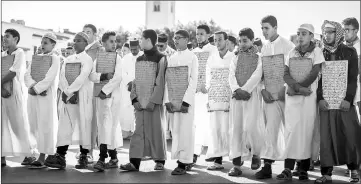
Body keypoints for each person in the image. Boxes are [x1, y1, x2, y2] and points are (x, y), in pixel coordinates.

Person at [276, 24, 324, 181]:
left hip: (308, 98)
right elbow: (285, 73)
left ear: (311, 36)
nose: (300, 36)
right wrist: (297, 88)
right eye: (298, 33)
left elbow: (314, 73)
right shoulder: (292, 51)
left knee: (306, 131)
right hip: (293, 96)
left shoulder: (317, 52)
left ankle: (303, 169)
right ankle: (287, 169)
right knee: (291, 131)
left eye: (304, 33)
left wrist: (301, 88)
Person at [315, 20, 361, 184]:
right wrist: (320, 98)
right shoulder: (320, 53)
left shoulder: (350, 51)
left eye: (330, 32)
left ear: (338, 33)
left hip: (344, 102)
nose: (327, 35)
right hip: (326, 103)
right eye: (325, 32)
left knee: (349, 134)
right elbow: (318, 80)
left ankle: (353, 169)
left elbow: (353, 77)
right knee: (326, 136)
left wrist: (348, 99)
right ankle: (326, 173)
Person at [119, 29, 167, 172]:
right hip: (139, 103)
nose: (140, 42)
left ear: (148, 40)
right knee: (138, 132)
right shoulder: (139, 59)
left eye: (141, 39)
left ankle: (159, 160)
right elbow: (136, 81)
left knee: (156, 131)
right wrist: (134, 99)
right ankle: (134, 162)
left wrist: (153, 101)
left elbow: (161, 82)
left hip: (154, 104)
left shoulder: (161, 58)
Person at [44, 32, 93, 170]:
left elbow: (82, 77)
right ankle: (60, 156)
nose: (75, 43)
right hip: (68, 98)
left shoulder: (88, 59)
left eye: (78, 40)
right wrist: (66, 91)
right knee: (65, 125)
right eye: (74, 40)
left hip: (82, 97)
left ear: (85, 43)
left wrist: (68, 92)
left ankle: (83, 156)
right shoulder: (68, 59)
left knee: (84, 125)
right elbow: (62, 76)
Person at [256, 15, 295, 179]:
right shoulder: (264, 48)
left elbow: (294, 69)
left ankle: (288, 168)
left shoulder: (288, 45)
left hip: (286, 96)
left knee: (289, 130)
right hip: (269, 96)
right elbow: (262, 72)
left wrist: (285, 89)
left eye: (267, 28)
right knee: (270, 130)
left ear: (275, 27)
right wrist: (263, 89)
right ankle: (267, 166)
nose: (264, 31)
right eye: (262, 28)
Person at [228, 28, 264, 176]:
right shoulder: (235, 57)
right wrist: (237, 90)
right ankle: (236, 164)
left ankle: (256, 154)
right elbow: (231, 74)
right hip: (237, 97)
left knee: (251, 126)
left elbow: (258, 74)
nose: (242, 44)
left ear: (252, 40)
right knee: (236, 128)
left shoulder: (259, 56)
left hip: (252, 95)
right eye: (240, 41)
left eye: (245, 41)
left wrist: (246, 90)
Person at [164, 29, 198, 175]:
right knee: (176, 130)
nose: (176, 40)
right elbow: (167, 81)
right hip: (173, 101)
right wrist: (167, 101)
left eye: (179, 38)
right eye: (174, 38)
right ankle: (181, 160)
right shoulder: (172, 58)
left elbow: (193, 80)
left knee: (186, 131)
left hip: (185, 102)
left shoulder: (192, 57)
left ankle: (183, 163)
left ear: (186, 39)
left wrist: (186, 101)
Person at [24, 33, 60, 169]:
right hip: (33, 95)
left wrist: (38, 88)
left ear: (53, 45)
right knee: (32, 123)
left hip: (46, 96)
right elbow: (27, 74)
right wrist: (33, 87)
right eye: (42, 42)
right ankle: (31, 153)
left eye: (46, 43)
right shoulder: (36, 58)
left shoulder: (55, 58)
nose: (42, 45)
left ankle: (42, 156)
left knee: (45, 124)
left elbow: (50, 76)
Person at [89, 31, 123, 171]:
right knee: (104, 126)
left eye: (115, 41)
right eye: (111, 41)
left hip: (112, 97)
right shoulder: (98, 59)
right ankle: (113, 158)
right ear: (103, 43)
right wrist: (103, 76)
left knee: (109, 126)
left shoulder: (117, 58)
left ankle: (102, 159)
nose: (114, 44)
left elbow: (117, 77)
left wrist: (105, 90)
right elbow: (92, 76)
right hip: (101, 97)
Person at [2, 28, 35, 167]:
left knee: (18, 123)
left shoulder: (19, 53)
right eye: (4, 37)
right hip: (2, 92)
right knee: (1, 125)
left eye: (7, 37)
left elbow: (13, 72)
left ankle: (28, 154)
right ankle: (2, 156)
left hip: (14, 91)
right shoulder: (2, 54)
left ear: (15, 39)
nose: (4, 39)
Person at [204, 31, 234, 171]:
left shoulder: (233, 57)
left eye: (220, 40)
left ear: (226, 41)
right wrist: (209, 97)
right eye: (215, 40)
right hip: (215, 98)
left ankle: (235, 161)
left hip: (229, 99)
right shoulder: (212, 58)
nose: (217, 43)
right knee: (215, 128)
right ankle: (217, 160)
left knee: (229, 129)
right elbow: (208, 79)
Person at [192, 24, 218, 167]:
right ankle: (195, 152)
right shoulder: (193, 52)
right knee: (197, 123)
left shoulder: (214, 50)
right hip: (195, 93)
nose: (199, 36)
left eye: (202, 34)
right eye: (197, 33)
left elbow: (217, 70)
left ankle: (214, 154)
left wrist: (207, 86)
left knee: (210, 124)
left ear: (208, 35)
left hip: (210, 93)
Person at [82, 24, 105, 163]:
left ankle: (90, 152)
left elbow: (102, 70)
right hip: (82, 88)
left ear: (95, 34)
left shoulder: (99, 49)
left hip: (94, 88)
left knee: (92, 121)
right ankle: (84, 151)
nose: (85, 34)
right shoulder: (80, 49)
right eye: (83, 32)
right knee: (84, 120)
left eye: (88, 32)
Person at [119, 38, 143, 139]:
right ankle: (127, 132)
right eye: (131, 49)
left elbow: (145, 72)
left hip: (141, 88)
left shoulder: (144, 56)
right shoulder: (125, 58)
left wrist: (135, 85)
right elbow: (122, 72)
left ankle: (138, 133)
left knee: (138, 110)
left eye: (135, 49)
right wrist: (129, 83)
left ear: (139, 47)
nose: (133, 51)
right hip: (127, 87)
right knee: (126, 109)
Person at [157, 33, 175, 140]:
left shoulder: (173, 53)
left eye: (161, 46)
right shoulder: (154, 52)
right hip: (157, 85)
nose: (159, 48)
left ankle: (169, 133)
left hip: (169, 85)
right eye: (157, 45)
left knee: (169, 111)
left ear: (167, 43)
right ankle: (160, 133)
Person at [343, 17, 360, 117]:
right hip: (345, 95)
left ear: (356, 31)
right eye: (344, 30)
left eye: (348, 30)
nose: (345, 32)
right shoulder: (341, 48)